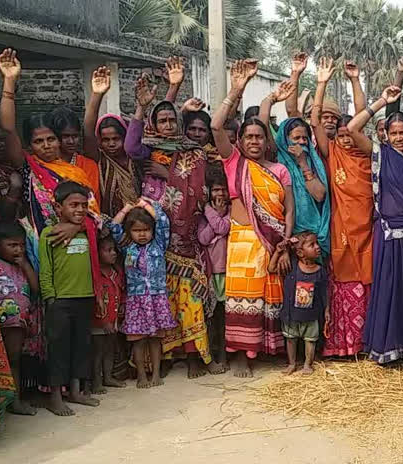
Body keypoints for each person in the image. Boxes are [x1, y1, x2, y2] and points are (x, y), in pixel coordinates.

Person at [0, 49, 101, 394]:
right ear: (31, 145)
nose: (46, 146)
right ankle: (39, 387)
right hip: (37, 249)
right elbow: (9, 129)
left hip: (73, 257)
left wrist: (74, 225)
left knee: (70, 326)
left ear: (60, 140)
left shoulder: (75, 173)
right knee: (40, 318)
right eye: (39, 141)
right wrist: (9, 83)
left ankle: (68, 385)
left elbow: (95, 214)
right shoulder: (28, 165)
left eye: (51, 139)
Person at [210, 60, 295, 377]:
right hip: (243, 241)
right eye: (249, 137)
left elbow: (289, 210)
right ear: (241, 141)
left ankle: (264, 350)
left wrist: (284, 245)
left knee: (267, 299)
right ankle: (242, 358)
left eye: (260, 136)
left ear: (266, 140)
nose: (255, 141)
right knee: (242, 301)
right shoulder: (234, 163)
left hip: (273, 245)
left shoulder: (279, 170)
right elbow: (217, 126)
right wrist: (237, 88)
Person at [124, 73, 212, 378]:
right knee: (160, 297)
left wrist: (167, 172)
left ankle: (193, 357)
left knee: (188, 297)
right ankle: (164, 357)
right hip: (153, 237)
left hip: (185, 237)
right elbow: (131, 146)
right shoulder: (147, 148)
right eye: (161, 120)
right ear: (154, 124)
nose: (168, 126)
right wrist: (140, 107)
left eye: (172, 120)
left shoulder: (193, 151)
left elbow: (198, 190)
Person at [347, 85, 403, 364]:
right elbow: (353, 129)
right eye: (393, 133)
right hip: (388, 236)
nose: (398, 138)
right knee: (389, 289)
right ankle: (386, 348)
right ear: (386, 134)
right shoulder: (382, 153)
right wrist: (382, 101)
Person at [310, 58, 372, 358]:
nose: (346, 138)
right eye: (342, 134)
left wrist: (355, 81)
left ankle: (366, 343)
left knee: (368, 280)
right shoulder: (332, 151)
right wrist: (321, 83)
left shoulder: (366, 157)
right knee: (344, 281)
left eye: (351, 134)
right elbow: (314, 122)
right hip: (340, 228)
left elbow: (362, 115)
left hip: (368, 229)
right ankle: (342, 345)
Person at [39, 181, 102, 415]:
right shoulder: (49, 233)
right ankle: (55, 396)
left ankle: (76, 391)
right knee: (58, 348)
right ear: (58, 208)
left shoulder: (88, 231)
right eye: (73, 205)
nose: (79, 210)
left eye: (83, 205)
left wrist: (81, 226)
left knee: (81, 346)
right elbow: (45, 269)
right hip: (60, 301)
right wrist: (50, 298)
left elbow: (99, 223)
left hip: (85, 297)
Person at [108, 199, 176, 388]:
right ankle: (141, 375)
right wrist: (128, 208)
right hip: (136, 300)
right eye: (137, 230)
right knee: (138, 340)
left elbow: (162, 220)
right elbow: (113, 226)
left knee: (155, 339)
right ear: (130, 232)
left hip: (156, 297)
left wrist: (144, 205)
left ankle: (155, 374)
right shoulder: (127, 247)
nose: (142, 234)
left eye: (146, 230)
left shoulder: (159, 245)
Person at [82, 66, 142, 218]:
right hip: (111, 224)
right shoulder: (101, 159)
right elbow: (88, 133)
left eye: (116, 139)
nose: (111, 144)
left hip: (141, 224)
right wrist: (97, 95)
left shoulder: (135, 157)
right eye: (106, 140)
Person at [271, 232, 328, 375]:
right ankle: (291, 364)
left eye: (317, 244)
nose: (317, 247)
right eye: (312, 245)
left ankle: (307, 364)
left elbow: (325, 294)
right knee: (290, 339)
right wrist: (279, 251)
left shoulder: (320, 271)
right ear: (300, 253)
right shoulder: (291, 266)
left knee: (311, 340)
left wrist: (327, 311)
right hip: (291, 314)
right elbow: (271, 269)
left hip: (311, 315)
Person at [0, 220, 38, 415]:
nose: (18, 250)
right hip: (2, 322)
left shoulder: (24, 265)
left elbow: (35, 287)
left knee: (14, 360)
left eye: (21, 245)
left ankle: (16, 402)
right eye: (12, 245)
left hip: (17, 322)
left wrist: (25, 265)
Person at [276, 117, 330, 258]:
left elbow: (319, 195)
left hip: (314, 239)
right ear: (285, 139)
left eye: (304, 138)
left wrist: (303, 163)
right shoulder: (277, 163)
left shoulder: (313, 163)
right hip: (285, 236)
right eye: (296, 138)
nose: (301, 142)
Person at [198, 168, 230, 373]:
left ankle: (224, 355)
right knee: (210, 317)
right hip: (211, 273)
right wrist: (214, 214)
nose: (220, 194)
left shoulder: (234, 210)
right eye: (216, 190)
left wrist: (216, 217)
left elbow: (223, 228)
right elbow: (203, 238)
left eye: (223, 190)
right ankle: (211, 355)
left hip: (228, 271)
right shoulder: (203, 213)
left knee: (225, 318)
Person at [89, 234, 126, 394]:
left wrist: (123, 307)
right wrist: (104, 321)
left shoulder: (116, 272)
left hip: (114, 319)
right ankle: (97, 382)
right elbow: (94, 302)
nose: (113, 253)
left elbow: (122, 291)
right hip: (99, 322)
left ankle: (108, 377)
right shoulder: (95, 275)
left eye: (114, 250)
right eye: (108, 250)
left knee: (110, 348)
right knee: (98, 351)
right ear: (97, 253)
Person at [49, 106, 101, 204]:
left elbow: (92, 201)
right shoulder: (45, 165)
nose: (71, 141)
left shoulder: (88, 165)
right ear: (55, 136)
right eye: (65, 136)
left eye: (75, 136)